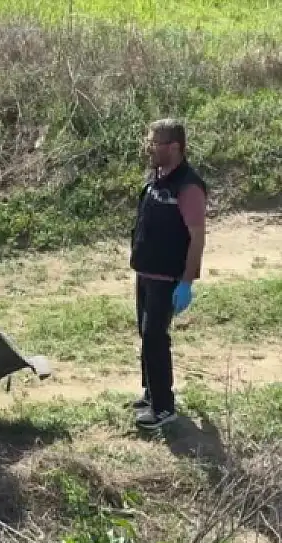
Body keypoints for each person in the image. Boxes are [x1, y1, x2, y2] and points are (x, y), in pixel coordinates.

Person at [128, 119, 207, 430]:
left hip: (167, 278)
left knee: (155, 337)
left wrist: (187, 282)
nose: (150, 148)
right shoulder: (157, 179)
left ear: (174, 147)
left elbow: (197, 236)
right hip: (146, 273)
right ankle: (150, 393)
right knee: (146, 337)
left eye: (155, 143)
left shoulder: (188, 186)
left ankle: (164, 408)